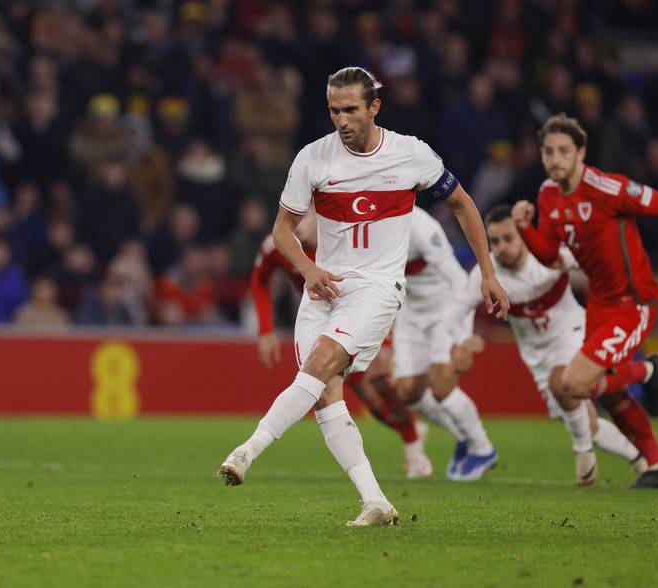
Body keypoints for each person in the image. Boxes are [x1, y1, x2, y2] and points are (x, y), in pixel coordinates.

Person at [218, 66, 510, 527]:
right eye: (334, 110)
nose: (342, 120)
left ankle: (246, 451)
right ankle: (375, 501)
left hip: (377, 288)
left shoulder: (410, 154)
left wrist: (488, 273)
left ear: (375, 106)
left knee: (318, 366)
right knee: (325, 398)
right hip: (324, 288)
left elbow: (463, 205)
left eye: (351, 109)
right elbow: (281, 232)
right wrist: (309, 268)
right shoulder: (313, 159)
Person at [512, 113, 658, 488]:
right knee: (608, 392)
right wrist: (525, 229)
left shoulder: (608, 187)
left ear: (581, 152)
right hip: (600, 304)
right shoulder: (548, 196)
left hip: (635, 301)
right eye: (548, 151)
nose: (555, 159)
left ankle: (649, 371)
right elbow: (551, 257)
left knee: (574, 384)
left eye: (563, 151)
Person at [447, 205, 645, 485]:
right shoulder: (488, 274)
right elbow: (454, 312)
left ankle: (583, 452)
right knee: (585, 423)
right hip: (536, 355)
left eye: (508, 238)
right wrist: (462, 340)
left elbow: (596, 262)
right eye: (495, 241)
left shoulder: (550, 256)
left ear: (523, 236)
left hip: (573, 333)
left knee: (562, 382)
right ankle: (643, 460)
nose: (502, 247)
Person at [250, 207, 432, 479]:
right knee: (368, 397)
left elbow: (384, 278)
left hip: (368, 311)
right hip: (326, 326)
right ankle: (412, 433)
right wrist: (265, 329)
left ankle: (414, 449)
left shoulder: (344, 241)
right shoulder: (280, 244)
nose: (297, 225)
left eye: (305, 216)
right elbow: (259, 278)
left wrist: (389, 338)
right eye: (293, 217)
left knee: (382, 378)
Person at [395, 206, 497, 481]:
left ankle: (483, 448)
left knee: (441, 387)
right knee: (408, 391)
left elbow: (459, 279)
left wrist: (462, 338)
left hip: (443, 308)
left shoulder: (421, 226)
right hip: (409, 312)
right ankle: (464, 434)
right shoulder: (369, 223)